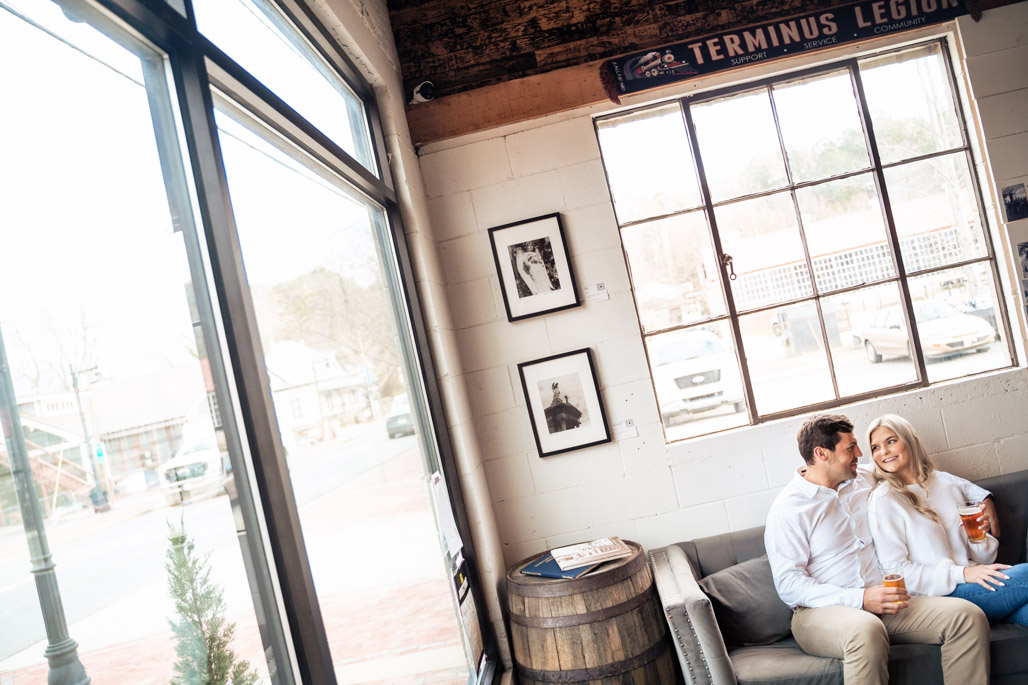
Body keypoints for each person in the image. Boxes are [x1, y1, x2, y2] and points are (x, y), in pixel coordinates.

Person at [765, 413, 989, 685]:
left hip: (886, 603)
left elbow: (924, 475)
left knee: (966, 616)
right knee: (865, 629)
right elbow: (789, 585)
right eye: (851, 448)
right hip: (819, 613)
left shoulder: (863, 476)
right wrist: (860, 599)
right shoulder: (789, 509)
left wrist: (982, 496)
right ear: (821, 453)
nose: (860, 453)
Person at [866, 414, 1028, 626]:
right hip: (938, 597)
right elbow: (896, 571)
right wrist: (962, 573)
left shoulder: (945, 483)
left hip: (974, 585)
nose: (883, 452)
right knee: (1025, 573)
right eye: (875, 447)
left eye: (891, 441)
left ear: (910, 441)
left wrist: (979, 538)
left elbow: (985, 560)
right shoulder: (884, 499)